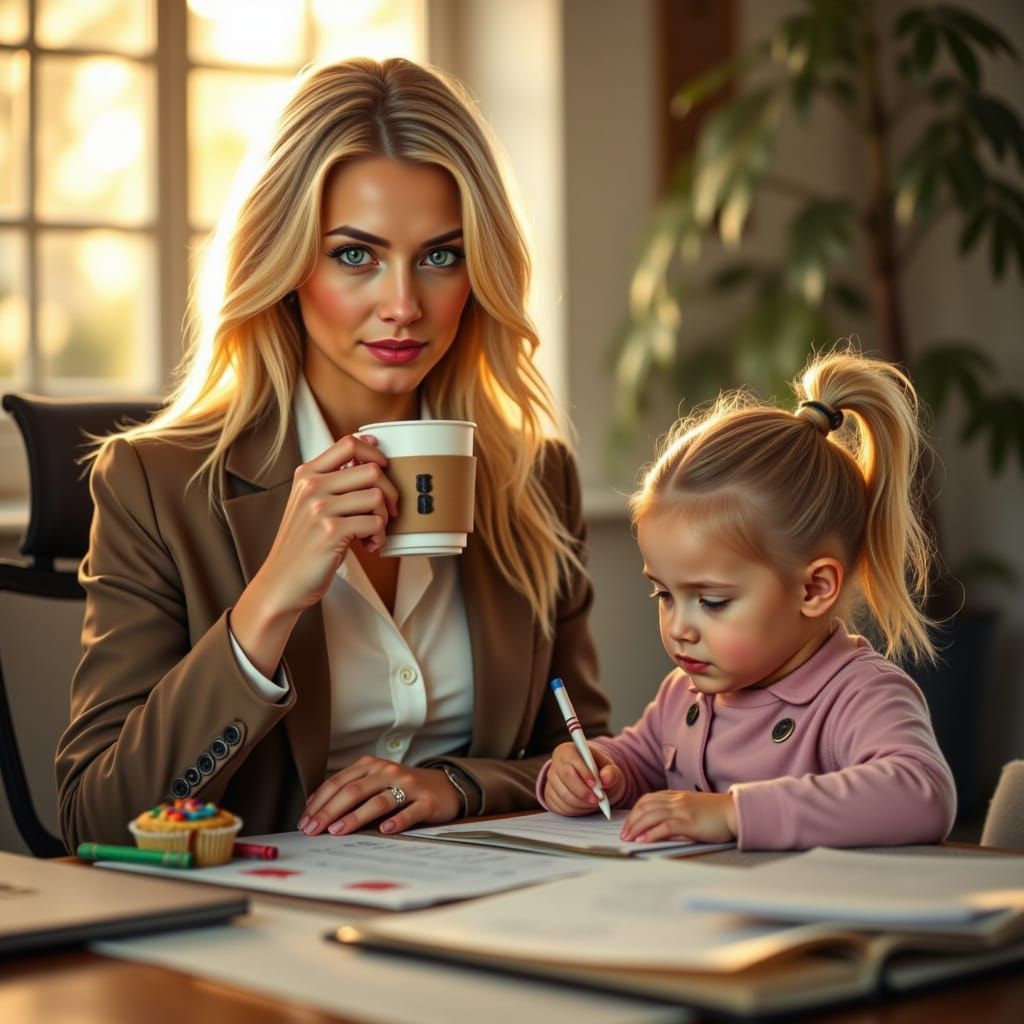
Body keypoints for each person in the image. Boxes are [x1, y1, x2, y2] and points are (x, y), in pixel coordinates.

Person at [56, 57, 609, 848]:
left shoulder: (532, 478)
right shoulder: (156, 484)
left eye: (441, 256)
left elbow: (588, 759)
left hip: (488, 911)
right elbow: (98, 819)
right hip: (263, 928)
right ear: (285, 265)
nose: (403, 305)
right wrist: (271, 600)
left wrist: (458, 787)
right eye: (356, 254)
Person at [539, 348, 957, 850]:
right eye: (664, 594)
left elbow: (921, 794)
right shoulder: (685, 694)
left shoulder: (858, 694)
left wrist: (735, 813)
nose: (678, 628)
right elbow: (638, 760)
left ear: (814, 588)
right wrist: (592, 771)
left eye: (712, 602)